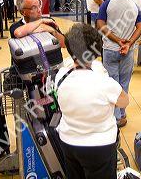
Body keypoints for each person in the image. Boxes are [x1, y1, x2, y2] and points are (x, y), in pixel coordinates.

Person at [56, 23, 129, 179]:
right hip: (99, 146)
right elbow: (124, 101)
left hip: (68, 142)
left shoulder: (60, 77)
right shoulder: (104, 82)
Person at [96, 0, 141, 128]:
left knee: (111, 83)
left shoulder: (107, 4)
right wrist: (129, 42)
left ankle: (115, 117)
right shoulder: (134, 6)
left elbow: (100, 24)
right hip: (128, 51)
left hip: (110, 50)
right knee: (124, 83)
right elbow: (140, 27)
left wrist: (117, 40)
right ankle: (121, 115)